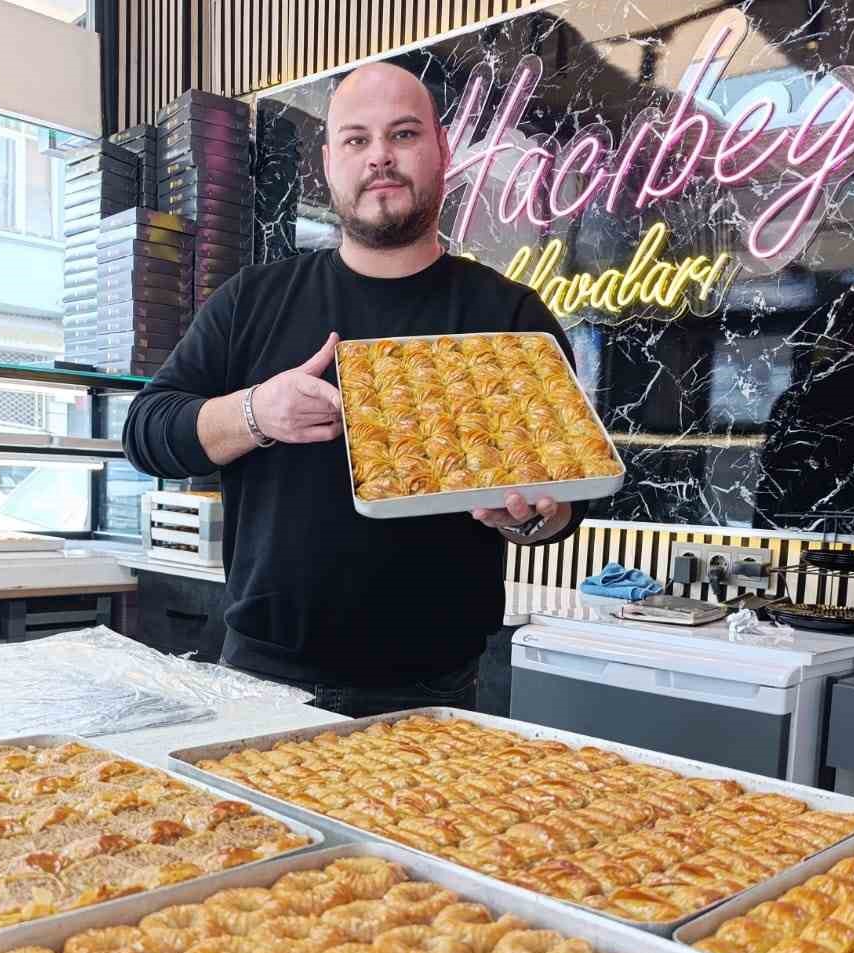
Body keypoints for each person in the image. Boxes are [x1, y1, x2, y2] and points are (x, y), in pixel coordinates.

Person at [123, 61, 586, 718]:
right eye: (357, 139)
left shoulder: (509, 317)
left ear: (441, 151)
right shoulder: (253, 301)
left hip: (436, 690)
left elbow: (566, 501)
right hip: (261, 675)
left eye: (403, 135)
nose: (381, 158)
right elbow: (146, 432)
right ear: (329, 160)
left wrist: (531, 518)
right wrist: (256, 413)